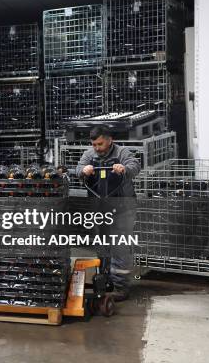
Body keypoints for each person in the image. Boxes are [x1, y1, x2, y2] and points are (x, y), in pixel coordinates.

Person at [76, 125, 140, 301]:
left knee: (120, 246)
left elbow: (135, 166)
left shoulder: (122, 152)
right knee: (102, 246)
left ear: (110, 140)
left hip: (122, 208)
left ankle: (121, 287)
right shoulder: (89, 155)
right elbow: (78, 169)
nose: (97, 148)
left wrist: (124, 169)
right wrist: (83, 171)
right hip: (100, 208)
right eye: (94, 144)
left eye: (100, 144)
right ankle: (105, 281)